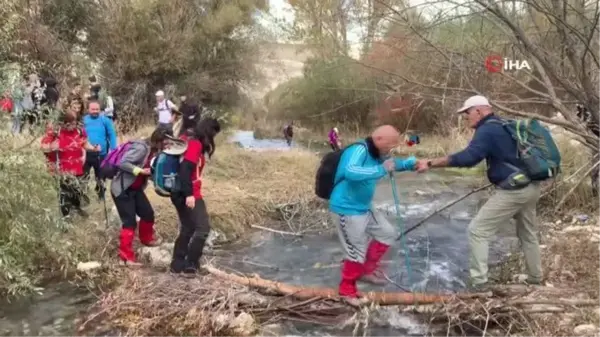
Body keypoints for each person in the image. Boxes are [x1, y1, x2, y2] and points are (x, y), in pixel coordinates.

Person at [417, 95, 542, 290]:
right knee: (527, 233)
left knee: (478, 230)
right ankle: (535, 278)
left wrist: (431, 163)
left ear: (478, 110)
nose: (466, 118)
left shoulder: (487, 129)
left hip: (515, 191)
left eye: (467, 113)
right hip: (531, 187)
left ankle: (480, 284)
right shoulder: (503, 124)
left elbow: (469, 158)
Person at [329, 125, 424, 306]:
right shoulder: (359, 150)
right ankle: (346, 290)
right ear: (379, 140)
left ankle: (367, 271)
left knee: (387, 233)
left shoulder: (378, 152)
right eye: (391, 144)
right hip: (346, 208)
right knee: (355, 251)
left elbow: (389, 164)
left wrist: (408, 164)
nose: (392, 148)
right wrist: (381, 170)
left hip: (364, 206)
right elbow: (351, 171)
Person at [170, 118, 221, 274]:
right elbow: (185, 170)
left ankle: (177, 265)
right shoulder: (195, 144)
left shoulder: (186, 138)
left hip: (177, 191)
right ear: (209, 131)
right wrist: (190, 195)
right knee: (202, 228)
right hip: (188, 192)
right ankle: (191, 264)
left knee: (188, 227)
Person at [111, 128, 166, 266]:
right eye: (166, 143)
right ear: (158, 140)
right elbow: (122, 163)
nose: (168, 147)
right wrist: (140, 171)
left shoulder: (155, 152)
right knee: (129, 223)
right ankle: (126, 258)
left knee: (148, 214)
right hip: (123, 189)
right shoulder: (141, 148)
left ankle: (147, 239)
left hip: (135, 189)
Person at [41, 111, 99, 218]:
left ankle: (76, 208)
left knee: (77, 190)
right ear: (63, 123)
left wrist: (93, 148)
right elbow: (44, 146)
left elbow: (84, 143)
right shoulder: (55, 131)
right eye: (70, 124)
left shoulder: (79, 130)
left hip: (77, 167)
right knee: (65, 193)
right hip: (62, 168)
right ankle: (66, 216)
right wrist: (52, 146)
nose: (73, 126)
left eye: (74, 123)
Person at [83, 101, 118, 200]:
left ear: (100, 110)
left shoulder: (105, 120)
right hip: (86, 154)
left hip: (101, 154)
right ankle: (83, 196)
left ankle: (100, 194)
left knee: (101, 176)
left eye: (97, 109)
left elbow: (112, 134)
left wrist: (113, 149)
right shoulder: (84, 120)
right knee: (84, 176)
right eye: (93, 109)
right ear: (88, 110)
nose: (95, 111)